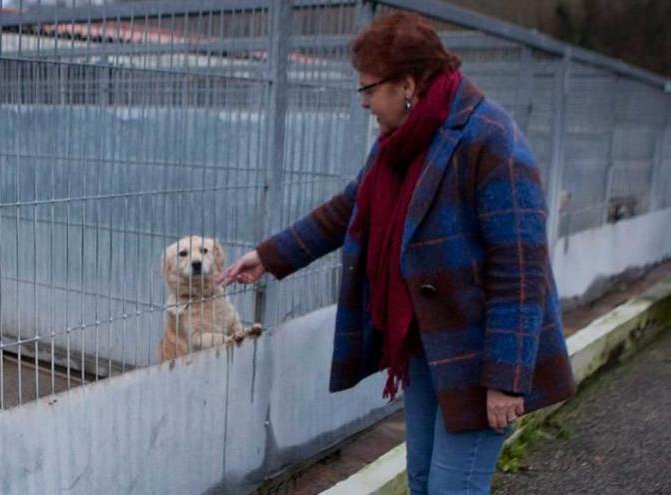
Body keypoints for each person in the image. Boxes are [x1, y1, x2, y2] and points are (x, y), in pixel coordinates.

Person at [219, 11, 576, 495]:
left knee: (454, 489)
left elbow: (520, 269)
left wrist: (507, 379)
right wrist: (271, 256)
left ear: (407, 84)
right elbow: (352, 207)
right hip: (427, 343)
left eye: (369, 89)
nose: (364, 101)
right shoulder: (399, 143)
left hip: (480, 355)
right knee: (424, 481)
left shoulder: (491, 140)